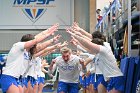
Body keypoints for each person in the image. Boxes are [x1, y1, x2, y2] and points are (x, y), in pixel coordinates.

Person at [0, 24, 59, 93]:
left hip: (18, 78)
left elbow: (41, 46)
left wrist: (51, 38)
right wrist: (47, 34)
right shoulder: (18, 45)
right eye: (33, 44)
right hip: (9, 76)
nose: (35, 46)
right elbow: (35, 40)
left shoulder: (28, 53)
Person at [67, 28, 124, 93]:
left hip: (115, 78)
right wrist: (78, 41)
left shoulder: (104, 48)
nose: (91, 49)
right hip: (109, 78)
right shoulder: (98, 53)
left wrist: (76, 35)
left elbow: (88, 43)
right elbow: (88, 47)